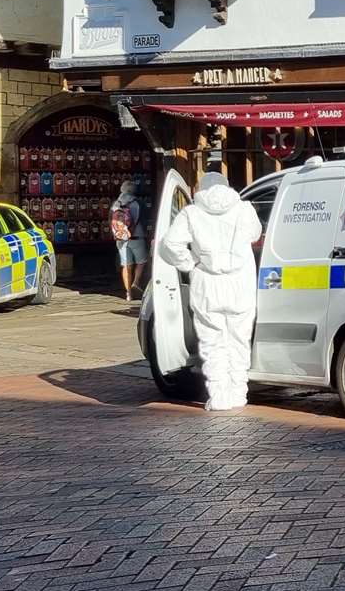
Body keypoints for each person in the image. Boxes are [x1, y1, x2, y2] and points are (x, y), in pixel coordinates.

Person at [159, 171, 260, 412]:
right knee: (239, 341)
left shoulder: (191, 213)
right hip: (240, 284)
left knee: (213, 342)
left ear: (201, 189)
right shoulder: (244, 209)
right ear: (227, 186)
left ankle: (219, 396)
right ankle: (238, 393)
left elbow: (170, 245)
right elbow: (255, 234)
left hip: (207, 284)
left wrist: (190, 265)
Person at [110, 179, 147, 301]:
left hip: (121, 238)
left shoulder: (115, 204)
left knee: (126, 265)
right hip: (137, 237)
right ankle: (136, 282)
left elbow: (111, 221)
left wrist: (117, 234)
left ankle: (128, 294)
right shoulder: (139, 203)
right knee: (141, 261)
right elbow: (145, 220)